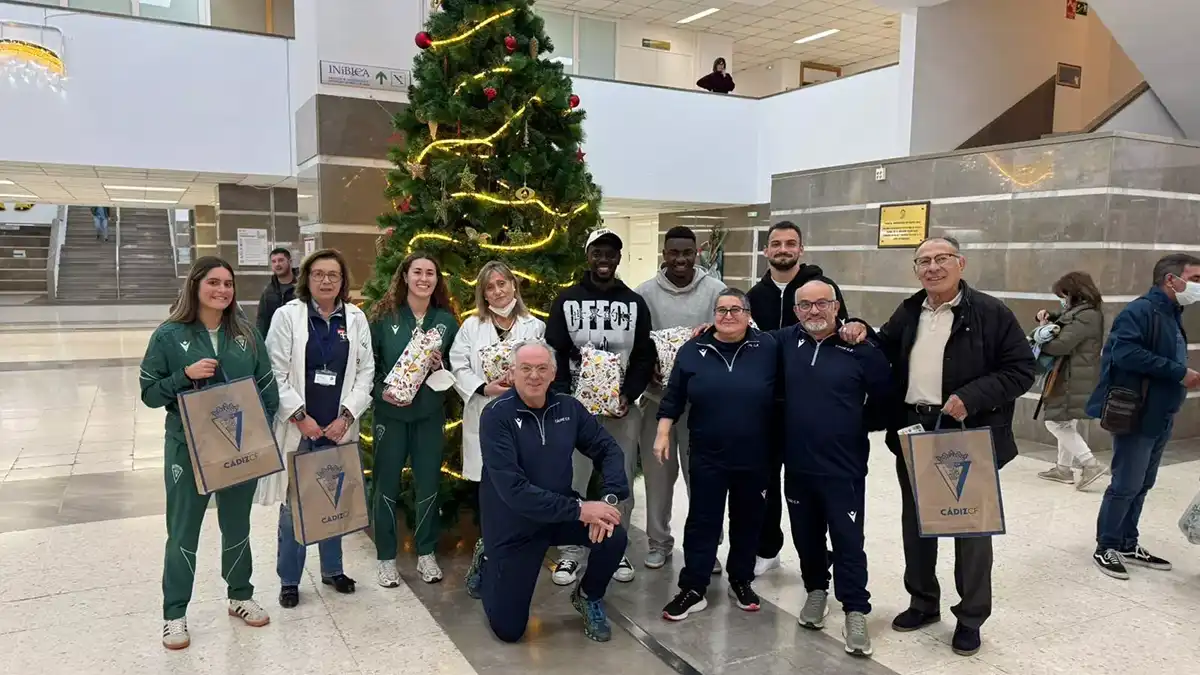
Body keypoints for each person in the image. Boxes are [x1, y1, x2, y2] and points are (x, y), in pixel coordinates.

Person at [841, 236, 1034, 657]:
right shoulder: (911, 310)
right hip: (914, 428)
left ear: (960, 263)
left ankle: (970, 618)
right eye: (923, 261)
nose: (932, 267)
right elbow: (882, 346)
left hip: (966, 432)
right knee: (918, 525)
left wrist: (974, 395)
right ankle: (923, 602)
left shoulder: (990, 312)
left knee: (969, 530)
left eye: (941, 258)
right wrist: (858, 326)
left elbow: (1022, 369)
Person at [138, 256, 279, 650]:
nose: (222, 290)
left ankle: (239, 595)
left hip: (238, 449)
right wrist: (184, 376)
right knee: (183, 531)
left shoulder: (245, 334)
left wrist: (256, 431)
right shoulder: (169, 335)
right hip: (188, 448)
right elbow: (149, 393)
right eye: (214, 282)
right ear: (195, 285)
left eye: (228, 284)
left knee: (238, 526)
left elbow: (267, 388)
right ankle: (174, 614)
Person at [466, 340, 631, 643]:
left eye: (542, 368)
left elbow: (607, 449)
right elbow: (514, 491)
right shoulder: (495, 416)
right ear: (511, 373)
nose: (534, 376)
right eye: (525, 369)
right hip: (512, 525)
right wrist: (582, 509)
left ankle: (588, 596)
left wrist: (607, 500)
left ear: (553, 373)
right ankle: (488, 557)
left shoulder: (567, 408)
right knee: (509, 631)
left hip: (558, 513)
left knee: (613, 532)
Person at [253, 249, 374, 608]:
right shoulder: (287, 316)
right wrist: (300, 417)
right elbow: (274, 371)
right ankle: (290, 578)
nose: (325, 281)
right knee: (294, 505)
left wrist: (347, 416)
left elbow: (366, 370)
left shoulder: (355, 318)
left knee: (334, 496)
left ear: (342, 281)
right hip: (300, 428)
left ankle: (333, 569)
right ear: (307, 277)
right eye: (319, 274)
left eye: (333, 275)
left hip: (338, 428)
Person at [782, 280, 891, 658]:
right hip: (796, 465)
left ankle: (856, 608)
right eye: (805, 305)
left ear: (836, 306)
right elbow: (741, 336)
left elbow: (885, 398)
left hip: (843, 466)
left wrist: (853, 426)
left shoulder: (859, 349)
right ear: (796, 311)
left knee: (847, 540)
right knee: (805, 535)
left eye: (822, 304)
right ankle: (815, 589)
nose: (814, 311)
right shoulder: (783, 343)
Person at [654, 288, 777, 622]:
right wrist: (663, 431)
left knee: (748, 521)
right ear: (713, 315)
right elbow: (674, 394)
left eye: (736, 309)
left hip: (755, 453)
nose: (728, 315)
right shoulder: (694, 349)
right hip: (708, 452)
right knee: (702, 521)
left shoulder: (767, 347)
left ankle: (741, 580)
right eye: (721, 310)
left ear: (749, 314)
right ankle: (693, 588)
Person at [545, 228, 656, 586]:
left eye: (611, 254)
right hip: (574, 411)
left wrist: (629, 393)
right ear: (588, 256)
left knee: (617, 478)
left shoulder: (635, 303)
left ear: (619, 258)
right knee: (572, 478)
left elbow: (643, 354)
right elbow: (555, 351)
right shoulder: (567, 300)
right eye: (598, 253)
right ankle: (571, 551)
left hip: (621, 411)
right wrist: (562, 397)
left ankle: (614, 545)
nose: (604, 260)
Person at [746, 220, 849, 577]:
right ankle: (768, 547)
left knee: (813, 482)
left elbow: (842, 332)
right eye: (776, 244)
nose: (783, 250)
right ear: (766, 251)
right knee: (767, 481)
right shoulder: (753, 297)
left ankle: (819, 554)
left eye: (791, 243)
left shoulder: (821, 288)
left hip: (812, 406)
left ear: (801, 249)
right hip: (767, 407)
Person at [1088, 254, 1200, 580]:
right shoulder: (1140, 311)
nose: (1197, 287)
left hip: (1160, 412)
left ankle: (1126, 542)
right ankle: (1106, 545)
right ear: (1171, 280)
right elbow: (1124, 353)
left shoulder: (1169, 312)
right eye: (1194, 279)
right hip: (1138, 412)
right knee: (1126, 484)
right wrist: (1178, 372)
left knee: (1143, 483)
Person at [449, 261, 546, 594]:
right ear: (482, 293)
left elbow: (544, 366)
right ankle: (486, 559)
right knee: (490, 498)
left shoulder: (535, 327)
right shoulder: (471, 327)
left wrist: (523, 384)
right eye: (489, 287)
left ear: (514, 286)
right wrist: (483, 387)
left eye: (502, 283)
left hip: (524, 419)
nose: (498, 291)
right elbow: (458, 363)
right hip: (485, 415)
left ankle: (516, 562)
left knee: (522, 494)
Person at [634, 226, 726, 572]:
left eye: (687, 253)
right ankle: (658, 542)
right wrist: (648, 371)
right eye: (674, 253)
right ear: (664, 254)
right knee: (658, 481)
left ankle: (706, 547)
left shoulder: (716, 292)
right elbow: (635, 346)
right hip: (657, 404)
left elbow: (732, 336)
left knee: (703, 480)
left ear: (696, 254)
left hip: (703, 409)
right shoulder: (643, 294)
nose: (681, 260)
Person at [369, 251, 459, 586]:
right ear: (405, 276)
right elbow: (370, 367)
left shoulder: (446, 321)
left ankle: (425, 554)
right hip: (390, 414)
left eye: (430, 273)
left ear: (437, 279)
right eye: (417, 272)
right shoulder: (383, 317)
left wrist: (440, 366)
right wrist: (382, 394)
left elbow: (456, 368)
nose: (424, 279)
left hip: (428, 414)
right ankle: (385, 558)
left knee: (428, 484)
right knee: (386, 486)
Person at [1032, 271, 1109, 489]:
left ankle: (1090, 464)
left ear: (1074, 293)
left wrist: (1039, 338)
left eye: (1064, 295)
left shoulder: (1086, 316)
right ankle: (1063, 469)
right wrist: (1049, 317)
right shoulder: (1084, 312)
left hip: (1072, 376)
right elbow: (1066, 321)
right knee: (1065, 421)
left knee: (1054, 421)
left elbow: (1061, 345)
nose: (1063, 299)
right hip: (1073, 373)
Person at [256, 248, 298, 339]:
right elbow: (262, 320)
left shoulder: (302, 286)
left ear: (290, 262)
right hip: (277, 340)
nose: (277, 264)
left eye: (281, 260)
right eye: (274, 261)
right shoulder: (268, 292)